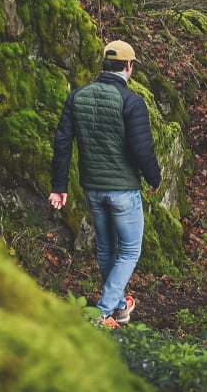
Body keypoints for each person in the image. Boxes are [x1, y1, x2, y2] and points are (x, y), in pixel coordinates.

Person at [49, 40, 161, 328]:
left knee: (106, 249)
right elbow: (141, 150)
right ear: (128, 67)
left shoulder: (78, 96)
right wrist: (153, 178)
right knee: (129, 252)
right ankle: (101, 313)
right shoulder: (132, 102)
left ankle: (121, 307)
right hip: (123, 190)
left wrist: (59, 187)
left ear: (104, 65)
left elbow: (62, 142)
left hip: (93, 190)